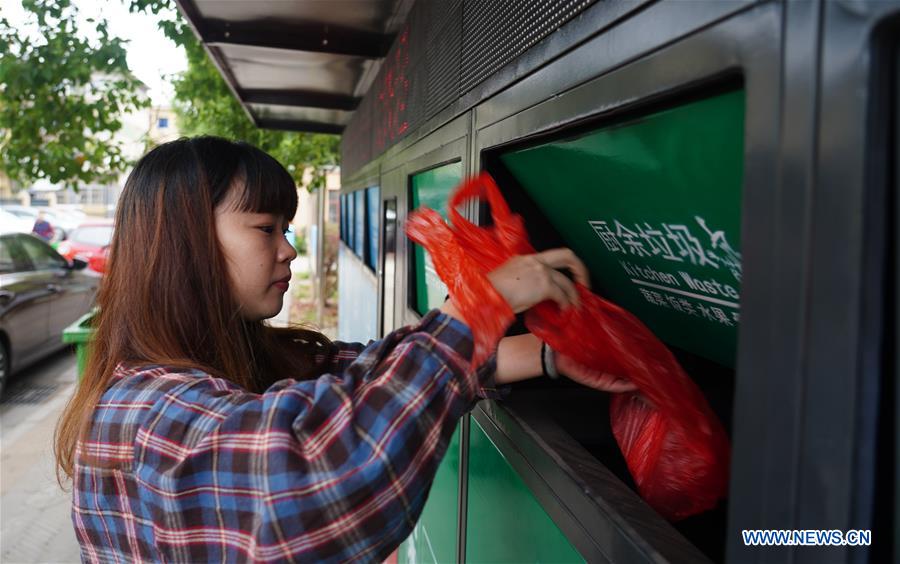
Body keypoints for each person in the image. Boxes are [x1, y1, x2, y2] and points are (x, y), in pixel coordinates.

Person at [54, 136, 635, 562]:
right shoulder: (140, 415)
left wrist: (548, 354)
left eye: (288, 229)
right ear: (184, 242)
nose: (289, 251)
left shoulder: (241, 360)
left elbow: (364, 370)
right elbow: (323, 479)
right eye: (265, 229)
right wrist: (481, 307)